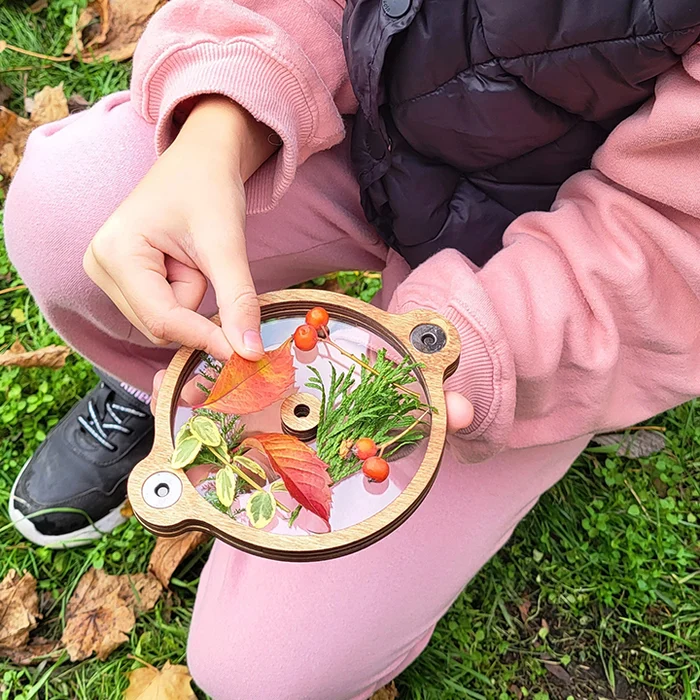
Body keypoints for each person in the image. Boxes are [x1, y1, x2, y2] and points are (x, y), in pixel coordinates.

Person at [5, 1, 700, 697]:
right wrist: (222, 124)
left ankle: (522, 410)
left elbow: (675, 239)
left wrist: (472, 352)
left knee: (266, 670)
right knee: (69, 213)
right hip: (368, 136)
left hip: (546, 286)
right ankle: (162, 390)